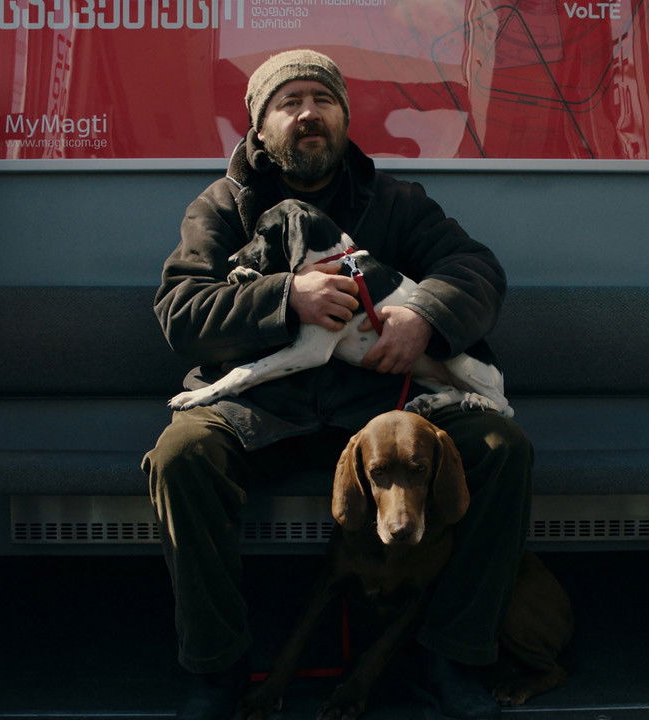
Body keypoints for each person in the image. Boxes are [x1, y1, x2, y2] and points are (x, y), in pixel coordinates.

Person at [142, 49, 533, 720]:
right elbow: (180, 313)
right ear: (259, 128)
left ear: (345, 120)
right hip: (257, 409)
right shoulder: (220, 208)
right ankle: (217, 667)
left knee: (501, 447)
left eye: (322, 101)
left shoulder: (398, 202)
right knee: (180, 458)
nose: (307, 114)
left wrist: (421, 314)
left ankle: (454, 654)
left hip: (380, 412)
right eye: (288, 103)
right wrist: (283, 298)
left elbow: (474, 268)